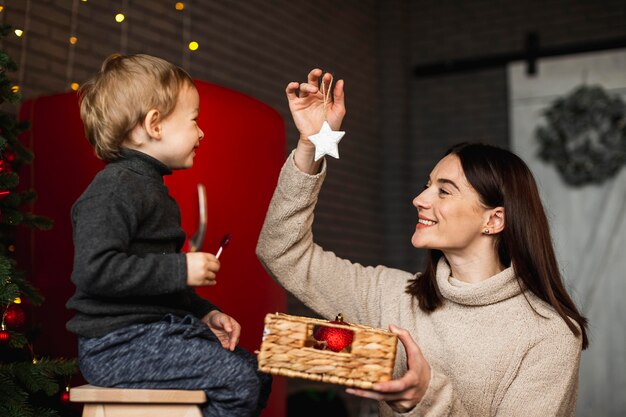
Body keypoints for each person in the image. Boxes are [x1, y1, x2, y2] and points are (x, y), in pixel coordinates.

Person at [256, 68, 588, 417]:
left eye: (443, 191)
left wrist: (426, 398)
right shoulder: (389, 294)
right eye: (427, 185)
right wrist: (312, 145)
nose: (419, 198)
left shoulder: (550, 335)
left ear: (494, 220)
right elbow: (281, 251)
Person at [66, 54, 271, 417]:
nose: (202, 132)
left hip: (156, 333)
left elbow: (157, 287)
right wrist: (181, 269)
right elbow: (94, 270)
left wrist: (205, 312)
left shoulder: (153, 188)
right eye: (194, 120)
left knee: (257, 373)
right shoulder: (113, 189)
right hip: (117, 345)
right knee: (239, 382)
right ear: (155, 125)